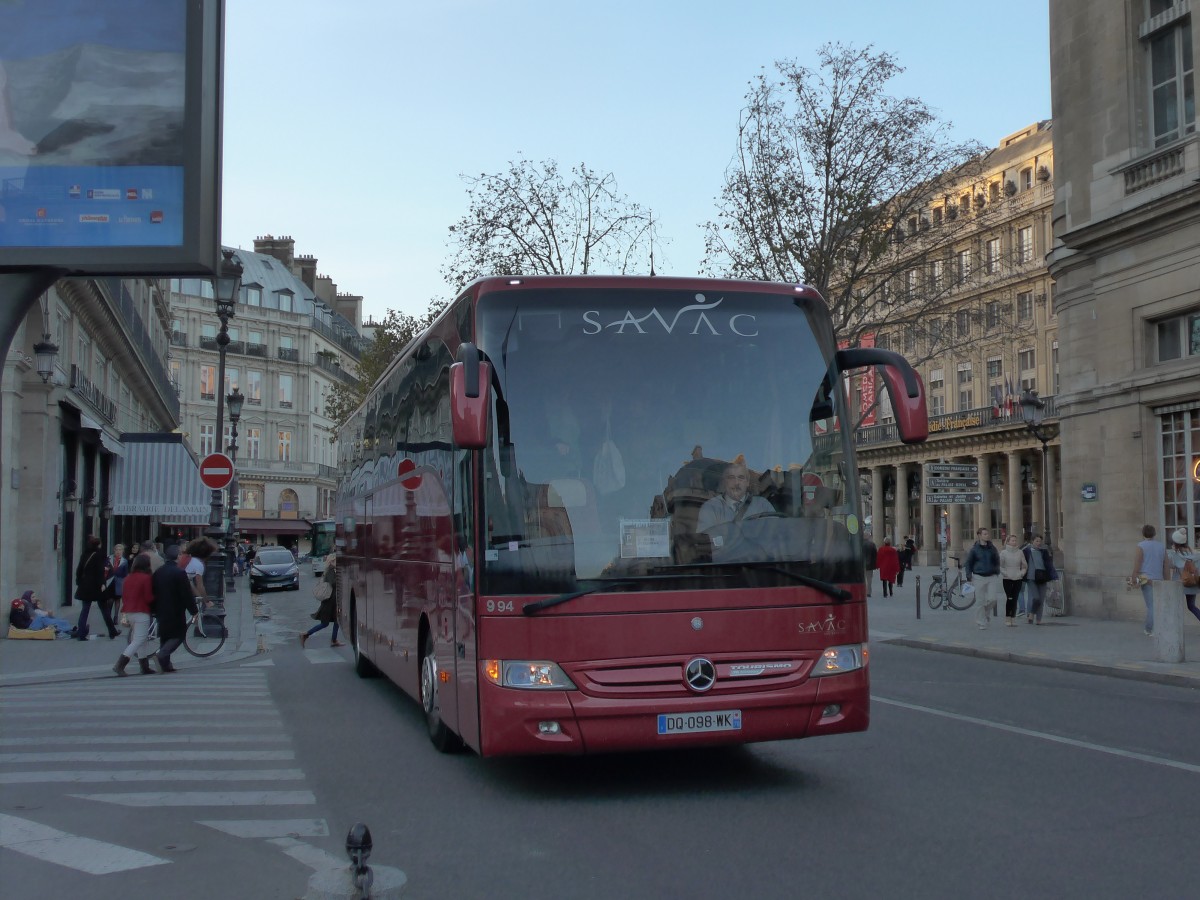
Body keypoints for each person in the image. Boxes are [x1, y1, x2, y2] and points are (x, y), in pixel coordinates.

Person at [149, 544, 197, 673]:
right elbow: (186, 594)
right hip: (175, 609)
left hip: (160, 609)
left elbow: (152, 591)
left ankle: (166, 665)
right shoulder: (179, 572)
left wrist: (153, 609)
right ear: (178, 557)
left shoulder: (159, 572)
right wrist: (194, 611)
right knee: (178, 635)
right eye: (181, 554)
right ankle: (162, 655)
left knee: (165, 636)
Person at [696, 461, 774, 534]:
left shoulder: (762, 505)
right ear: (724, 482)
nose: (736, 483)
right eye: (731, 477)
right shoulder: (711, 507)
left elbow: (776, 533)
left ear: (747, 482)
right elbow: (705, 541)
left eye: (741, 477)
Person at [113, 554, 156, 675]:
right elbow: (148, 597)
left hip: (130, 611)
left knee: (141, 639)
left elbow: (124, 596)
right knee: (139, 639)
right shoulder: (146, 578)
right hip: (141, 610)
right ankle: (120, 664)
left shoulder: (128, 578)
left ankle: (144, 666)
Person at [74, 535, 119, 640]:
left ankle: (81, 633)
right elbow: (100, 571)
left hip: (85, 585)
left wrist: (79, 581)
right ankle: (112, 631)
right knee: (104, 609)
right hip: (96, 586)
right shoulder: (99, 555)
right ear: (99, 545)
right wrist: (103, 583)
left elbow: (79, 569)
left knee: (85, 610)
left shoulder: (85, 554)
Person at [1130, 524, 1168, 636]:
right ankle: (1157, 627)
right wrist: (1167, 580)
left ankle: (1150, 628)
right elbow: (1165, 565)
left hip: (1145, 578)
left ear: (1143, 534)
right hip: (1159, 578)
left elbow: (1137, 563)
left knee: (1151, 606)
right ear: (1154, 533)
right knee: (1157, 605)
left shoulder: (1140, 546)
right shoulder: (1161, 546)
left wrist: (1134, 578)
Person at [301, 554, 343, 648]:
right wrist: (341, 579)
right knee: (325, 623)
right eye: (336, 560)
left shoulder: (331, 570)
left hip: (333, 600)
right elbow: (333, 583)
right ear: (331, 561)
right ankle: (306, 634)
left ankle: (334, 640)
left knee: (337, 620)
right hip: (329, 601)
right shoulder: (330, 570)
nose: (338, 562)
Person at [964, 527, 1002, 630]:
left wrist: (996, 570)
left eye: (987, 534)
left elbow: (997, 559)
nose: (987, 536)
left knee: (993, 599)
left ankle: (985, 612)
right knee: (980, 601)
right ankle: (981, 622)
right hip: (978, 576)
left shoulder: (992, 548)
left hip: (991, 576)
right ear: (979, 535)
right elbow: (968, 563)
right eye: (984, 534)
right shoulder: (974, 549)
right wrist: (969, 576)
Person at [1022, 534, 1058, 625]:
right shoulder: (1026, 551)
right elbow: (1021, 562)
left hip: (1042, 577)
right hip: (1031, 577)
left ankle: (1038, 619)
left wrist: (1054, 576)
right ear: (1032, 541)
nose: (1038, 543)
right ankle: (1031, 614)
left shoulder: (1044, 552)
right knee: (1036, 598)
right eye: (1036, 541)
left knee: (1041, 600)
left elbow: (1049, 565)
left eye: (1040, 541)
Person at [1166, 527, 1200, 624]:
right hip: (1192, 582)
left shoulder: (1175, 553)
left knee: (1175, 605)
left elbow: (1171, 566)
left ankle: (1174, 626)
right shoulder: (1193, 552)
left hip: (1179, 583)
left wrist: (1172, 553)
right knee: (1191, 606)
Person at [999, 534, 1028, 626]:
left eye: (1015, 540)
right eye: (1012, 540)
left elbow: (1024, 565)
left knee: (1015, 598)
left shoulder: (1020, 552)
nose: (1014, 542)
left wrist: (1022, 573)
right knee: (1010, 598)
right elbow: (1000, 565)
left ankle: (1013, 618)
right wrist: (1005, 573)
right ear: (1008, 542)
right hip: (1007, 578)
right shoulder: (1003, 553)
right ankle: (1008, 617)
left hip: (1018, 577)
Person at [106, 542, 129, 623]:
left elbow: (125, 573)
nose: (118, 551)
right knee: (110, 599)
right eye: (117, 550)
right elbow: (105, 570)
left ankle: (116, 616)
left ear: (122, 551)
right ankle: (108, 615)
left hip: (119, 582)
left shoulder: (124, 561)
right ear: (114, 550)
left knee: (117, 599)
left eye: (120, 550)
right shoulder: (109, 558)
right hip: (109, 581)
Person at [862, 531, 878, 597]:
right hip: (870, 565)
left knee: (862, 579)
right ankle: (868, 592)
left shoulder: (860, 544)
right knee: (869, 579)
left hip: (861, 565)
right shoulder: (872, 544)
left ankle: (862, 591)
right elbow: (875, 555)